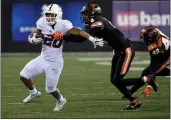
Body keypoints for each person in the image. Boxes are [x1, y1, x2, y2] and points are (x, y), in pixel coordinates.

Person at [20, 4, 104, 112]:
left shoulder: (64, 24)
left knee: (50, 90)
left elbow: (78, 31)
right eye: (48, 14)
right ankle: (34, 93)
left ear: (58, 15)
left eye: (52, 15)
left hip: (55, 62)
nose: (49, 17)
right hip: (42, 58)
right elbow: (37, 31)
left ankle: (61, 100)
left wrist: (92, 39)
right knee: (23, 76)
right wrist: (31, 37)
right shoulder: (42, 22)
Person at [79, 3, 157, 110]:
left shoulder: (98, 22)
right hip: (118, 51)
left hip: (125, 50)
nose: (84, 16)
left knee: (118, 80)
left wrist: (65, 36)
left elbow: (81, 37)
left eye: (86, 14)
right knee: (114, 80)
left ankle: (147, 79)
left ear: (93, 14)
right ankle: (134, 101)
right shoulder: (97, 21)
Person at [126, 26, 170, 97]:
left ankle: (131, 91)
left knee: (155, 71)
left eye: (145, 36)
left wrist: (150, 83)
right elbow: (153, 65)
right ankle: (131, 91)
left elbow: (164, 63)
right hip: (165, 55)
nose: (144, 39)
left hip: (167, 57)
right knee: (146, 72)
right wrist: (152, 80)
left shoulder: (160, 46)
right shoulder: (156, 38)